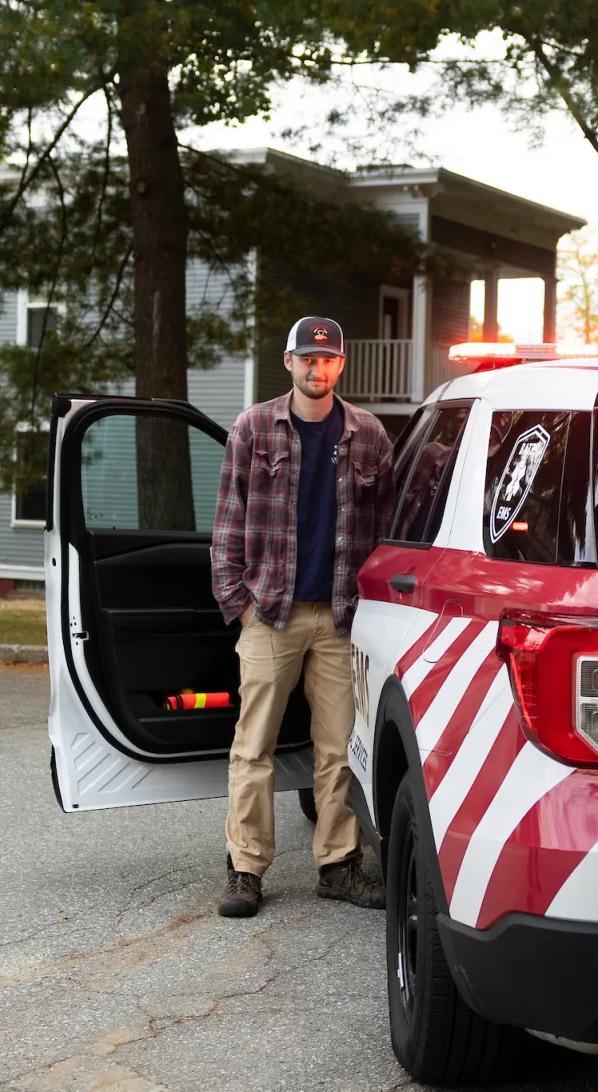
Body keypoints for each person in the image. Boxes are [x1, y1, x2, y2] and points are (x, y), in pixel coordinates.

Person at [210, 317, 395, 918]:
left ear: (341, 365)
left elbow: (390, 526)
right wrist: (237, 603)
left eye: (329, 361)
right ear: (287, 361)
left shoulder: (368, 435)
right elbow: (227, 522)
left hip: (342, 617)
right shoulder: (254, 428)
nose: (318, 370)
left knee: (341, 748)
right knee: (253, 745)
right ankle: (245, 868)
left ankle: (337, 865)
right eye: (307, 360)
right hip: (271, 613)